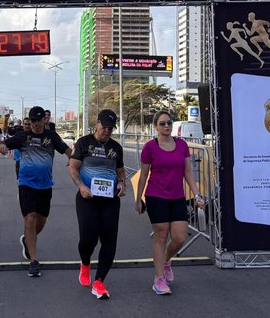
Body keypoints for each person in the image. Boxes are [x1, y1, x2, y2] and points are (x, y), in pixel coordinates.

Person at [135, 110, 205, 295]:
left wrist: (197, 195)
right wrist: (138, 199)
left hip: (177, 197)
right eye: (163, 123)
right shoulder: (150, 147)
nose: (167, 126)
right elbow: (143, 175)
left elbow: (188, 173)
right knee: (161, 236)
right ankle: (159, 279)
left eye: (169, 123)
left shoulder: (182, 145)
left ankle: (166, 260)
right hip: (156, 196)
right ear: (155, 126)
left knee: (180, 237)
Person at [0, 106, 73, 277]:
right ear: (30, 121)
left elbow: (67, 150)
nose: (36, 124)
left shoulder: (51, 137)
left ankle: (27, 239)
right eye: (33, 121)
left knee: (40, 221)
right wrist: (2, 146)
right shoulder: (23, 136)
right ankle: (34, 261)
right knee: (29, 218)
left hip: (45, 186)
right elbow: (5, 143)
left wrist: (73, 160)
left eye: (39, 121)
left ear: (44, 120)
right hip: (26, 184)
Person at [68, 110, 125, 299]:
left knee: (109, 240)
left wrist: (122, 184)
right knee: (88, 239)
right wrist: (81, 186)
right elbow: (73, 168)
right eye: (104, 127)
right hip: (87, 198)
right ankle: (85, 263)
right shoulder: (84, 143)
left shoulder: (116, 147)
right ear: (97, 124)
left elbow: (121, 171)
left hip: (110, 200)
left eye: (110, 128)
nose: (107, 131)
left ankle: (99, 281)